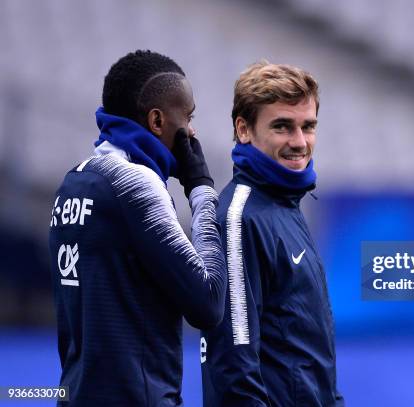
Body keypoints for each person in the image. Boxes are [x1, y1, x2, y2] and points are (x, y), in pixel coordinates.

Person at [48, 50, 226, 406]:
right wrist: (202, 190)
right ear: (157, 121)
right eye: (187, 117)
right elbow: (209, 302)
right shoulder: (136, 184)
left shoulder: (73, 182)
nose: (191, 131)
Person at [201, 61, 344, 406]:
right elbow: (234, 367)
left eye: (308, 127)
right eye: (282, 127)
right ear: (244, 129)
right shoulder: (239, 219)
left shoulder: (285, 203)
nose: (300, 142)